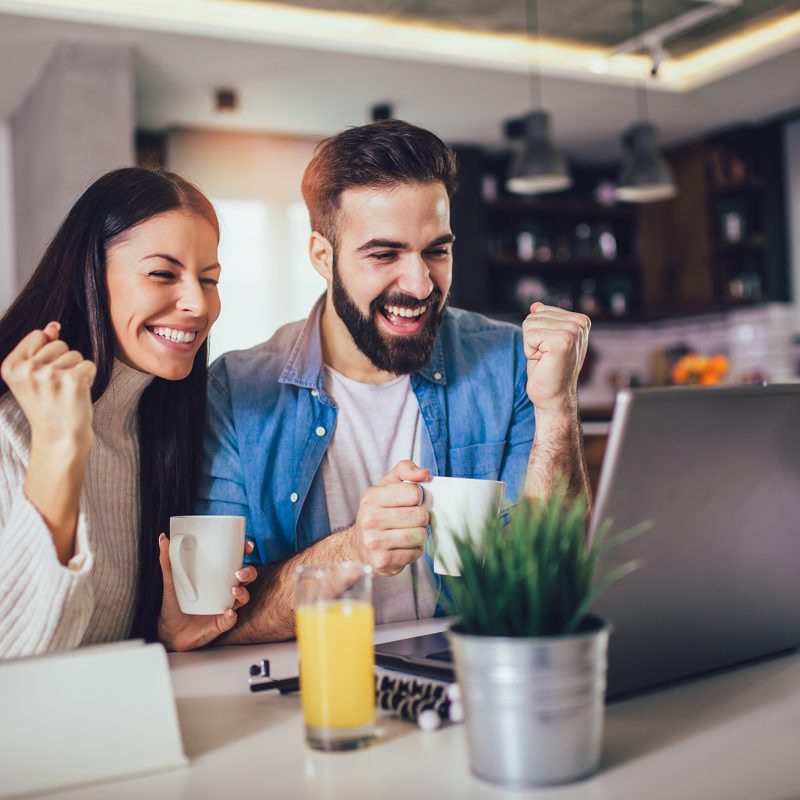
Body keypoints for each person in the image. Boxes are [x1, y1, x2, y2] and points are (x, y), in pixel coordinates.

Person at [199, 119, 590, 642]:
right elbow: (217, 618)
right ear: (323, 256)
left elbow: (549, 577)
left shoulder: (508, 361)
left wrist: (557, 407)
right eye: (384, 254)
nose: (420, 283)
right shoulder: (235, 391)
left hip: (466, 677)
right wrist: (352, 550)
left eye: (437, 250)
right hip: (310, 693)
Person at [0, 167, 257, 659]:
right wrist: (61, 446)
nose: (197, 303)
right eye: (163, 273)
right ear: (89, 273)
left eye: (210, 279)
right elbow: (17, 665)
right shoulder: (14, 429)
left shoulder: (163, 426)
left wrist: (165, 630)